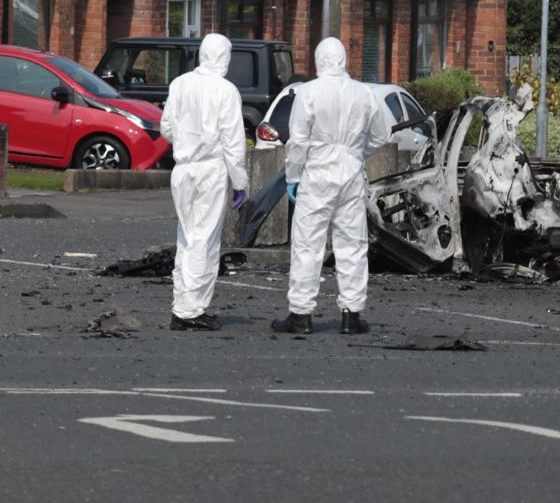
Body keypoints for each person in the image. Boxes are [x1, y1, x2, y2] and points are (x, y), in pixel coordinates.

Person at [273, 37, 391, 336]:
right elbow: (381, 135)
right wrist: (354, 152)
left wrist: (293, 177)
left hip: (317, 172)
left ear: (318, 61)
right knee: (352, 245)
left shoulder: (308, 91)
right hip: (350, 172)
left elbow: (298, 140)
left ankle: (301, 314)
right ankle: (351, 315)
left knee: (307, 244)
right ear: (344, 60)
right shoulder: (364, 93)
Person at [159, 33, 249, 331]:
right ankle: (189, 310)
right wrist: (240, 182)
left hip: (182, 169)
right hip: (211, 169)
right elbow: (233, 141)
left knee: (186, 237)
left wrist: (185, 143)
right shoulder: (226, 90)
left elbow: (166, 128)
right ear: (225, 57)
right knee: (204, 239)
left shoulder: (180, 84)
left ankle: (182, 305)